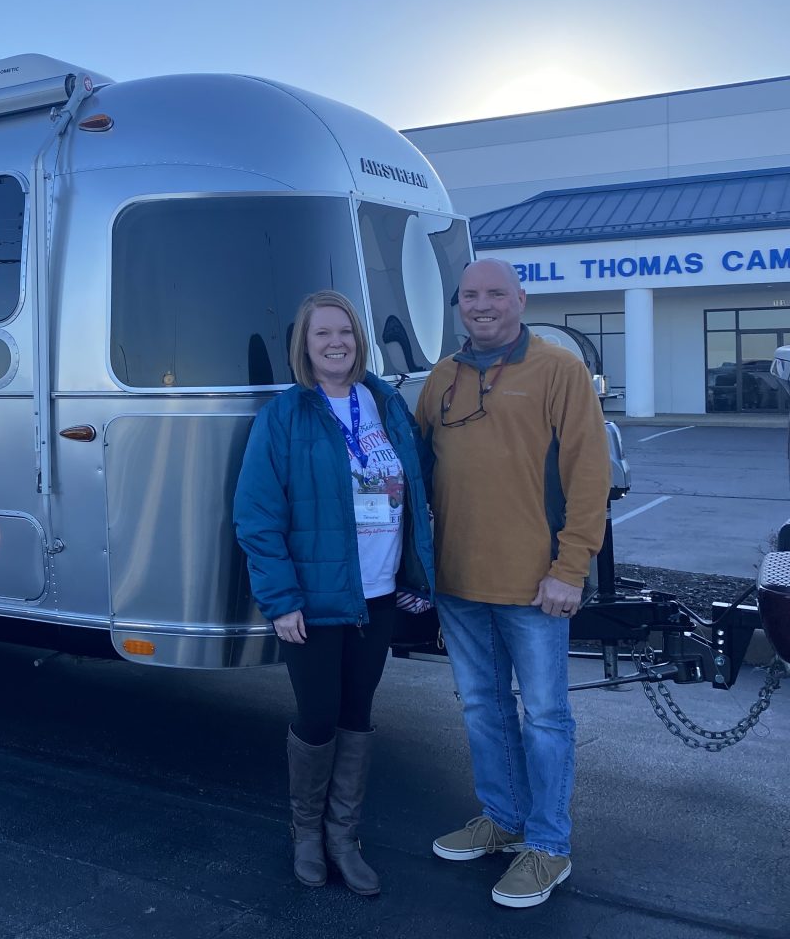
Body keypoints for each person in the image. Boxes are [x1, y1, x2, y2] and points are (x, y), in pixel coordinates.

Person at [415, 258, 608, 909]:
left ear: (521, 300)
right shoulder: (442, 378)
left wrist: (570, 569)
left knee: (545, 718)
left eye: (496, 293)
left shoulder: (559, 370)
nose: (483, 305)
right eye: (471, 295)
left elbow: (589, 476)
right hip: (459, 584)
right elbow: (420, 472)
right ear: (459, 305)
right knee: (482, 707)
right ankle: (503, 818)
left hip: (536, 586)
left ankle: (548, 845)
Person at [234, 290, 436, 896]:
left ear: (359, 339)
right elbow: (257, 515)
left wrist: (417, 574)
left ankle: (344, 838)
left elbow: (418, 488)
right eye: (322, 333)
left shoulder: (386, 403)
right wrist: (281, 600)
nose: (335, 342)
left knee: (357, 714)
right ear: (304, 344)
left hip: (377, 595)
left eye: (344, 331)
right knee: (318, 717)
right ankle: (306, 834)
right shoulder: (284, 416)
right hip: (314, 600)